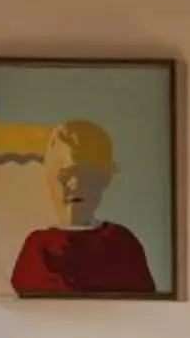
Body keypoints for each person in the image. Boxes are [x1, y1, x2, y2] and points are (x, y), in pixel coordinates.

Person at [9, 119, 157, 295]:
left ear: (105, 179)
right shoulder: (38, 246)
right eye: (65, 175)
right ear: (50, 179)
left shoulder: (122, 243)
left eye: (88, 176)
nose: (76, 184)